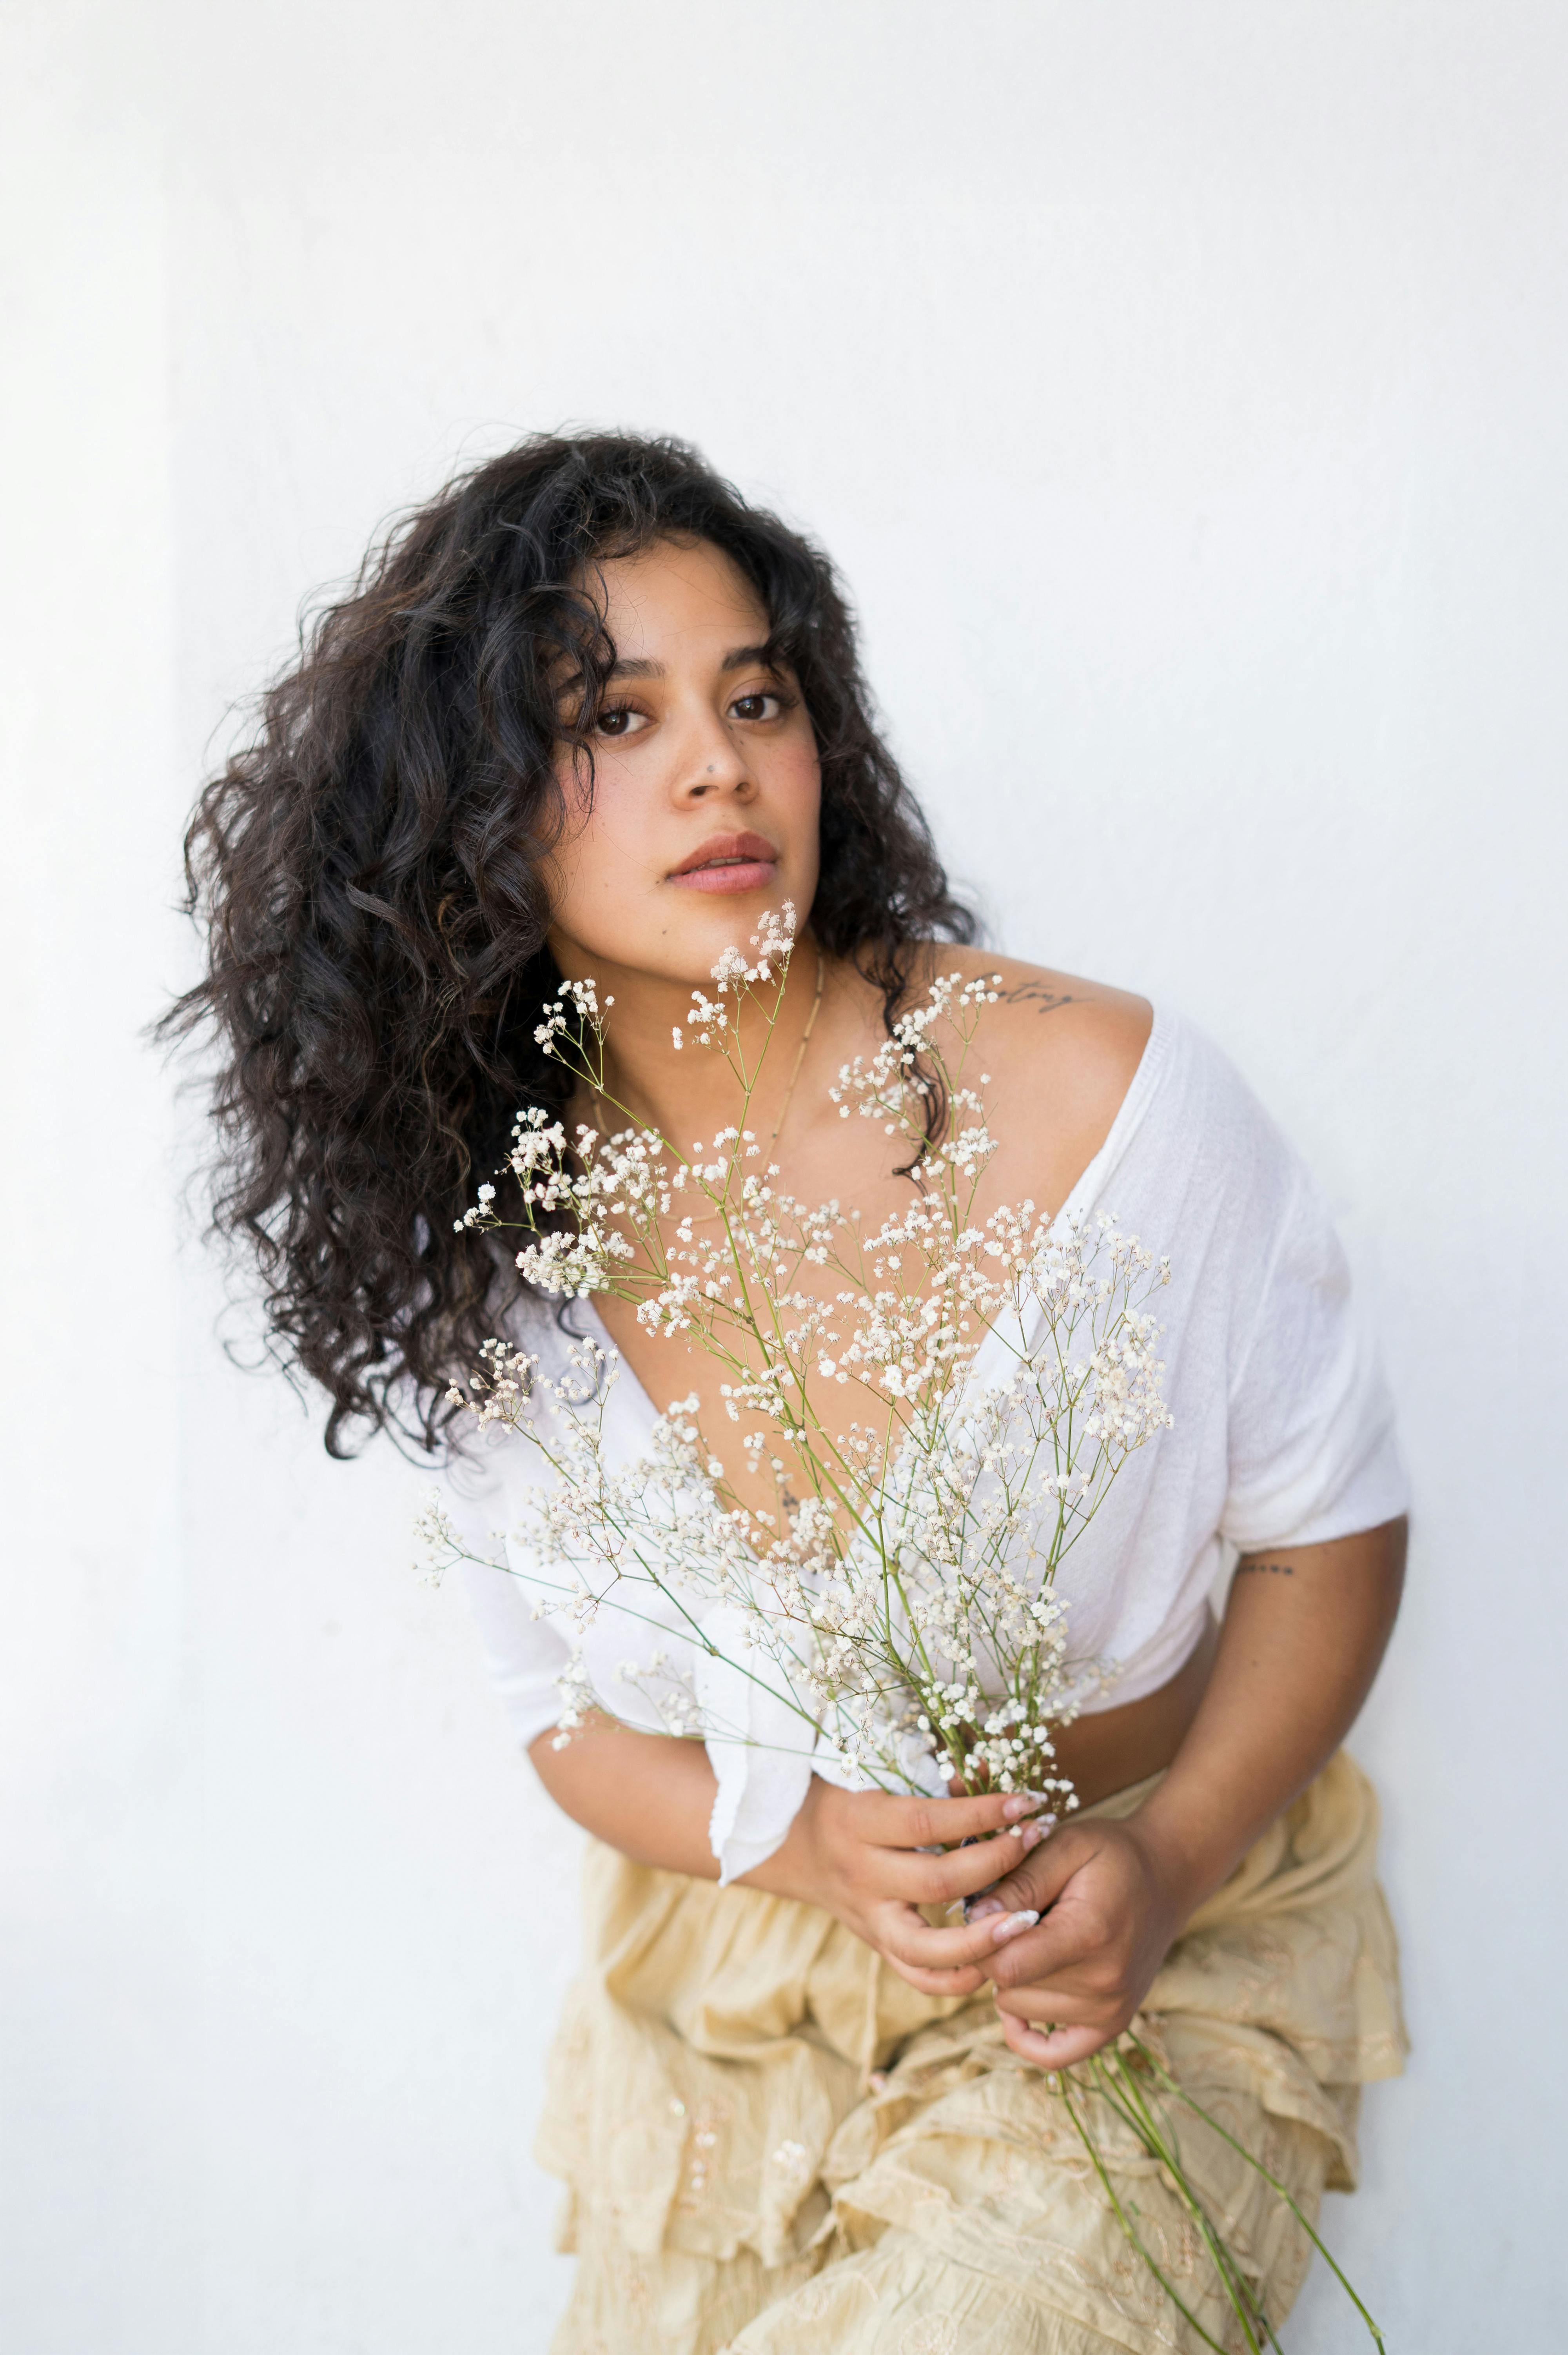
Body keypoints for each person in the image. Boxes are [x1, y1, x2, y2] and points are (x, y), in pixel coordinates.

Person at [169, 432, 1408, 2353]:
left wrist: (1160, 1866)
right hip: (734, 2008)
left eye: (757, 695)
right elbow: (556, 1718)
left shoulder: (1111, 1106)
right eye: (614, 716)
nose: (716, 765)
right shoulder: (495, 1251)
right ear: (461, 814)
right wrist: (804, 1841)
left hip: (1132, 1945)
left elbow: (1327, 1527)